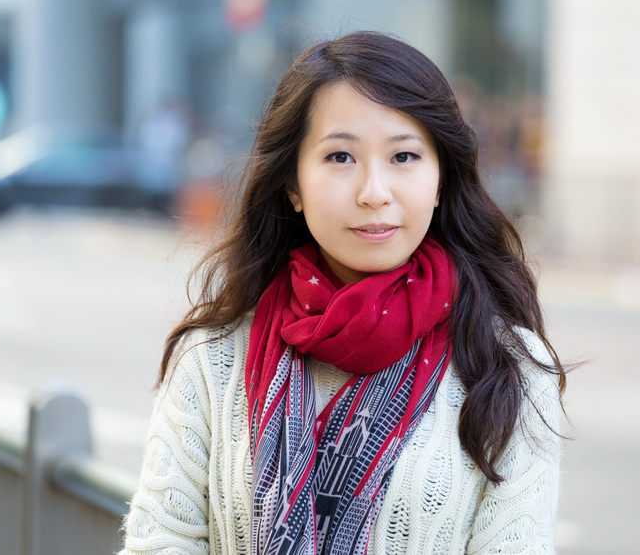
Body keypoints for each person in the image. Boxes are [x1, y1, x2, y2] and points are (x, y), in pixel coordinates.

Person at [121, 31, 568, 555]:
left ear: (441, 178)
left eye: (404, 157)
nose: (374, 192)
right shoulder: (213, 358)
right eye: (340, 157)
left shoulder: (507, 365)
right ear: (293, 185)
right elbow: (162, 543)